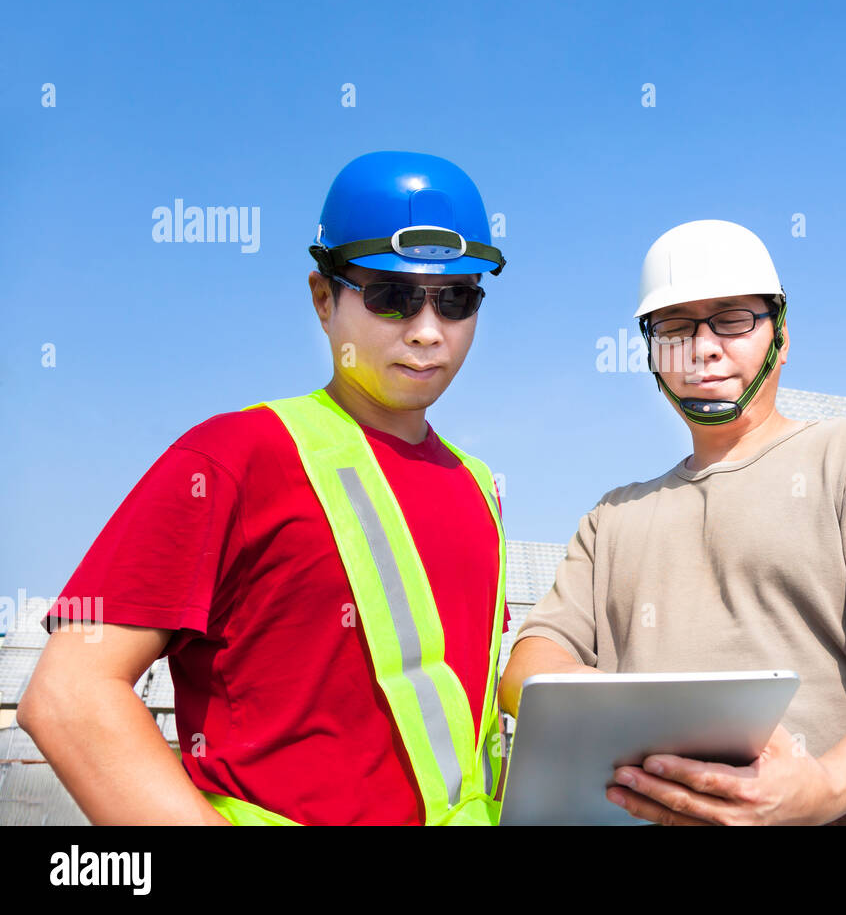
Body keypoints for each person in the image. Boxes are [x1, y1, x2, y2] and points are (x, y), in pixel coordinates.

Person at [18, 151, 511, 825]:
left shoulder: (479, 489)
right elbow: (70, 694)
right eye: (393, 296)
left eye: (455, 299)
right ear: (322, 298)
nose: (427, 330)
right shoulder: (234, 456)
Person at [500, 219, 846, 826]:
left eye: (733, 318)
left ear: (781, 336)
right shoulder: (612, 517)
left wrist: (823, 789)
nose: (703, 347)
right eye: (673, 328)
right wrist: (630, 724)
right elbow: (529, 664)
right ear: (650, 351)